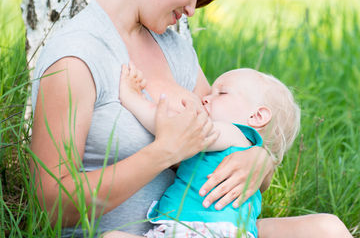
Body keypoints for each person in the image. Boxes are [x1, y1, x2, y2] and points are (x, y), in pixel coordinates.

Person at [30, 0, 353, 238]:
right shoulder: (77, 58)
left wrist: (260, 160)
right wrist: (162, 152)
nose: (191, 8)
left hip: (205, 230)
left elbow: (226, 132)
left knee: (326, 228)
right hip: (129, 234)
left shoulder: (175, 47)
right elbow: (52, 205)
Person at [112, 63, 301, 238]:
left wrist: (132, 98)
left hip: (201, 229)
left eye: (222, 93)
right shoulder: (237, 146)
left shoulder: (235, 134)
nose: (205, 98)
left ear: (257, 116)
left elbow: (172, 128)